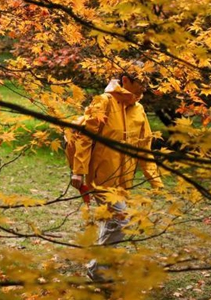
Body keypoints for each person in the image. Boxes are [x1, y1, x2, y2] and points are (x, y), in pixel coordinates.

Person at [68, 72, 164, 281]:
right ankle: (97, 270)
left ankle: (102, 267)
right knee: (121, 221)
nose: (144, 88)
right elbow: (85, 138)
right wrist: (78, 171)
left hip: (124, 180)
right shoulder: (103, 102)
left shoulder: (139, 110)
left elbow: (144, 148)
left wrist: (155, 180)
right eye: (141, 83)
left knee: (111, 221)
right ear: (126, 80)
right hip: (100, 177)